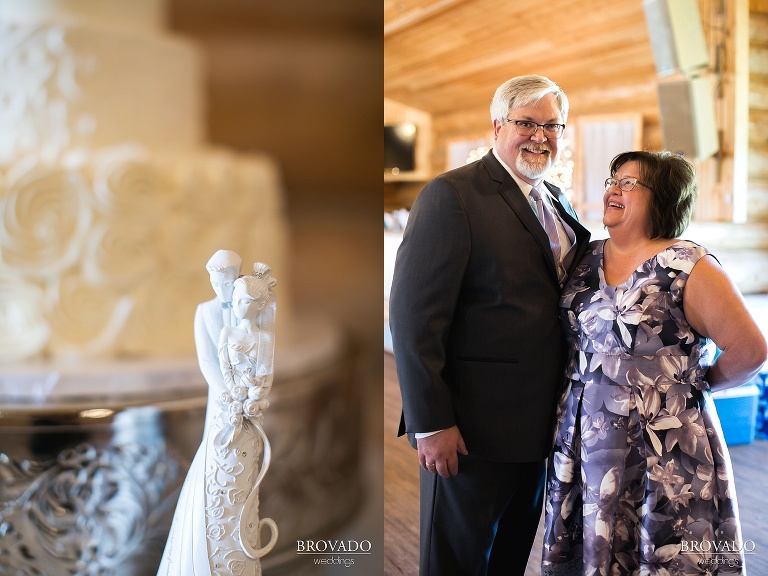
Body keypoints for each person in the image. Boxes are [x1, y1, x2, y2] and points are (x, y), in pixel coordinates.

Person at [388, 74, 591, 575]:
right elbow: (413, 318)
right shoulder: (453, 195)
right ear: (497, 125)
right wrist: (431, 422)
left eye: (552, 125)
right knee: (456, 560)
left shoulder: (556, 200)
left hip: (538, 423)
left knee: (510, 554)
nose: (540, 136)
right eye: (527, 122)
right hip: (469, 428)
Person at [541, 151, 767, 575]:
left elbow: (750, 350)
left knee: (664, 552)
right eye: (613, 179)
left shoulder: (689, 266)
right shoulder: (584, 257)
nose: (613, 188)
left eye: (629, 183)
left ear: (662, 198)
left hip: (664, 442)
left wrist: (689, 386)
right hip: (585, 438)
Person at [157, 256, 278, 575]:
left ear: (237, 277)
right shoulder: (205, 312)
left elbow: (266, 362)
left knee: (242, 467)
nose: (221, 288)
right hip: (223, 400)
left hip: (247, 403)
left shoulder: (260, 321)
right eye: (216, 283)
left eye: (227, 282)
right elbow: (208, 362)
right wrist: (231, 394)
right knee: (216, 462)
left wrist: (252, 395)